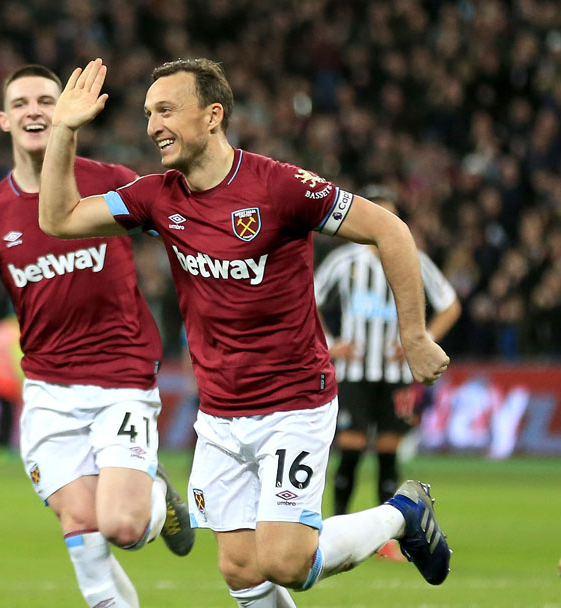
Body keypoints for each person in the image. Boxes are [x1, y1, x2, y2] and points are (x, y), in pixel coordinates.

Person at [39, 58, 452, 608]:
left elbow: (388, 229)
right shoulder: (157, 196)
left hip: (293, 403)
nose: (151, 126)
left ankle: (401, 515)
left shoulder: (280, 187)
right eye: (146, 114)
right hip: (220, 413)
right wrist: (64, 130)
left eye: (165, 110)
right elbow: (60, 218)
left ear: (213, 115)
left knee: (284, 560)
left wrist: (414, 334)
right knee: (239, 570)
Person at [0, 64, 194, 608]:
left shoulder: (112, 181)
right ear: (3, 119)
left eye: (45, 99)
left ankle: (157, 497)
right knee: (80, 522)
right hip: (47, 390)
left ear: (65, 110)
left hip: (122, 379)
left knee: (122, 527)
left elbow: (183, 232)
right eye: (21, 103)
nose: (34, 110)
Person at [313, 187, 461, 539]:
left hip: (395, 374)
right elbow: (308, 298)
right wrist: (331, 344)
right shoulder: (345, 260)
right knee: (350, 448)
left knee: (387, 453)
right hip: (354, 372)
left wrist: (423, 341)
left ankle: (384, 539)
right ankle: (335, 529)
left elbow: (450, 304)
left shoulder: (413, 258)